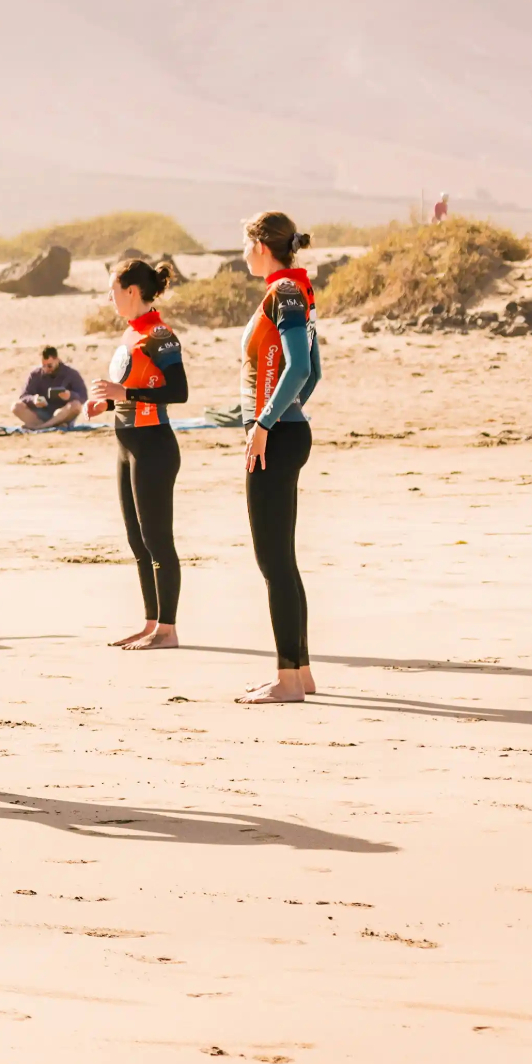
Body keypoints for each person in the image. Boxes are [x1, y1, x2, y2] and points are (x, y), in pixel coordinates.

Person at [235, 212, 323, 704]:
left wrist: (266, 423)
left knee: (273, 564)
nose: (242, 254)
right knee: (282, 562)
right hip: (286, 433)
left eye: (245, 245)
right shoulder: (295, 290)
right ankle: (302, 672)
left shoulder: (284, 292)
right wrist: (285, 413)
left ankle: (287, 681)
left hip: (274, 439)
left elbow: (301, 366)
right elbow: (312, 375)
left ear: (261, 245)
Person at [88, 259, 189, 649]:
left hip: (154, 447)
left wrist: (123, 395)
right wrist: (108, 405)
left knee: (157, 539)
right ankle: (151, 622)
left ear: (132, 291)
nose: (109, 299)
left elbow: (177, 392)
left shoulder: (161, 336)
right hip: (126, 444)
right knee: (136, 539)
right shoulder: (132, 334)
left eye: (113, 291)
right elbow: (137, 387)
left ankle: (168, 628)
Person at [11, 347, 88, 431]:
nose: (46, 369)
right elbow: (24, 396)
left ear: (57, 360)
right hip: (41, 414)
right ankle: (48, 425)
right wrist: (34, 399)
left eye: (49, 366)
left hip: (63, 413)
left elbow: (83, 396)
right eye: (43, 366)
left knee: (76, 405)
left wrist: (70, 395)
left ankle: (41, 427)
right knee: (16, 406)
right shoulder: (35, 374)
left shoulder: (71, 374)